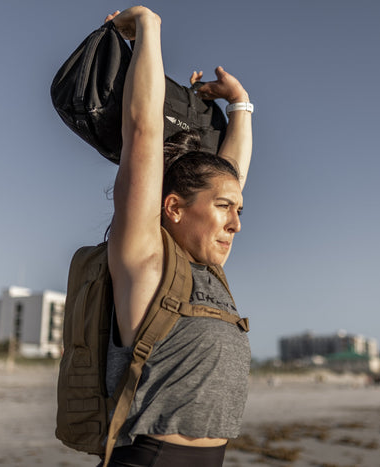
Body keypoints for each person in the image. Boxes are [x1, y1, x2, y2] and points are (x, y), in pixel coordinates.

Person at [104, 6, 253, 467]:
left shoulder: (207, 272)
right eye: (224, 209)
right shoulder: (144, 258)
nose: (236, 223)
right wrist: (148, 26)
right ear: (172, 208)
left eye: (239, 210)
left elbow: (230, 177)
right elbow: (144, 132)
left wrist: (241, 104)